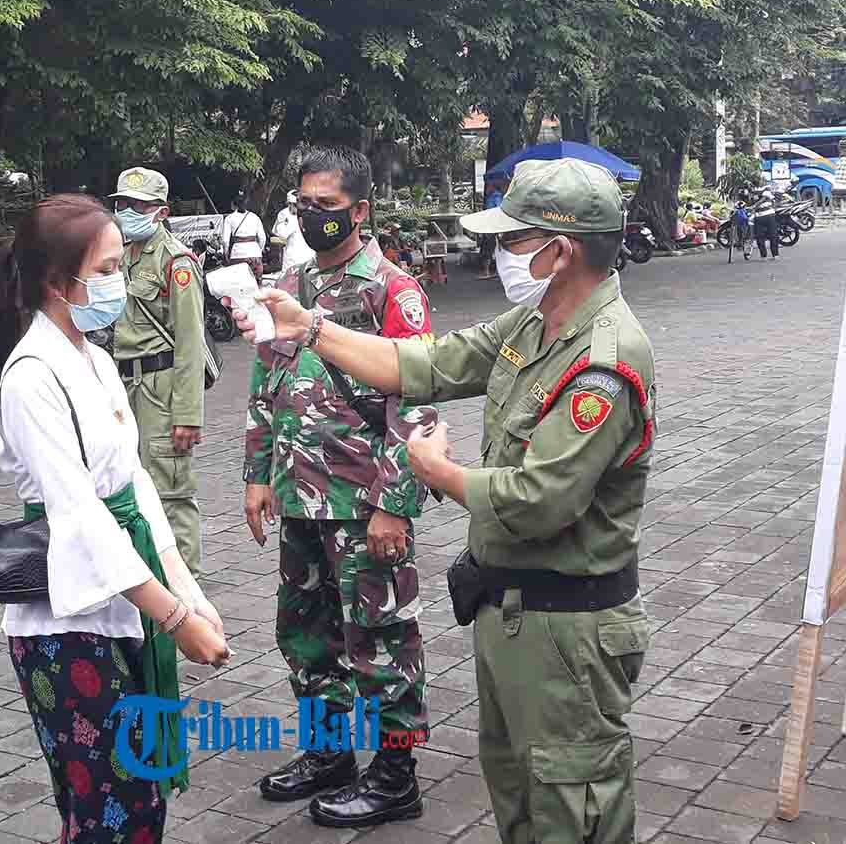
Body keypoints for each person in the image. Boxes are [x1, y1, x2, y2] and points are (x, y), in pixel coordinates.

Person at [236, 158, 656, 844]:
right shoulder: (532, 324)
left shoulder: (602, 358)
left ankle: (393, 772)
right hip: (509, 607)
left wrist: (431, 475)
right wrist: (311, 328)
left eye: (514, 239)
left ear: (561, 249)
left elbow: (540, 498)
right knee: (520, 795)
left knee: (571, 806)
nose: (502, 254)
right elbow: (424, 364)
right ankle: (331, 749)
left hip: (568, 625)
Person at [0, 194, 229, 843]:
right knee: (110, 812)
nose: (120, 281)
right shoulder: (32, 375)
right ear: (56, 281)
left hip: (126, 602)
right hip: (67, 626)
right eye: (109, 267)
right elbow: (82, 518)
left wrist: (187, 589)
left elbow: (136, 484)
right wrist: (174, 618)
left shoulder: (93, 358)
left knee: (138, 802)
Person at [242, 146, 438, 829]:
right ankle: (329, 754)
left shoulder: (392, 289)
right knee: (306, 633)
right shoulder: (290, 283)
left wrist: (395, 503)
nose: (309, 215)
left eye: (325, 206)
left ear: (360, 211)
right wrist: (257, 473)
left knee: (380, 636)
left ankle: (395, 773)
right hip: (299, 496)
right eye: (302, 204)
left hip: (362, 504)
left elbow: (416, 404)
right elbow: (266, 383)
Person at [109, 168, 208, 573]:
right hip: (124, 385)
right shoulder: (121, 255)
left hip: (161, 389)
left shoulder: (177, 263)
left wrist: (187, 415)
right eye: (123, 204)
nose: (128, 212)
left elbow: (189, 344)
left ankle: (189, 596)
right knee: (130, 489)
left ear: (162, 212)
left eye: (139, 206)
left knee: (170, 494)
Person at [221, 191, 268, 278]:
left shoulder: (229, 218)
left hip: (237, 255)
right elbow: (262, 238)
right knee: (256, 284)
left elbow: (225, 241)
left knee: (239, 284)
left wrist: (226, 254)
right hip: (255, 255)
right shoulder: (255, 217)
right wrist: (259, 251)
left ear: (233, 204)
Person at [752, 184, 779, 260]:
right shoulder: (750, 188)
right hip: (758, 216)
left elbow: (764, 198)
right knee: (759, 236)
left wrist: (754, 205)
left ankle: (775, 254)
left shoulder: (767, 187)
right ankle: (763, 255)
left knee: (773, 235)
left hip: (769, 215)